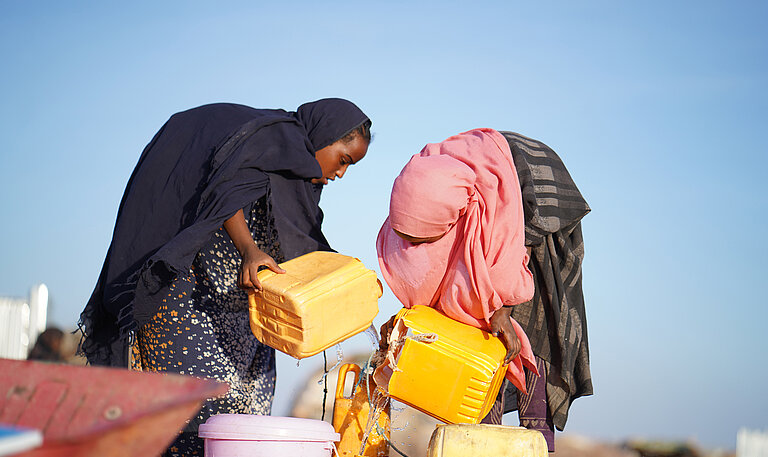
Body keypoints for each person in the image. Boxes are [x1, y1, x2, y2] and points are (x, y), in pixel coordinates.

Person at [78, 99, 372, 456]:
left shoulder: (299, 184)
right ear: (323, 135)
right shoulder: (267, 144)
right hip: (190, 306)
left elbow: (306, 252)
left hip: (248, 319)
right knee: (197, 426)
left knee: (248, 429)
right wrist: (248, 248)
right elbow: (225, 186)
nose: (341, 173)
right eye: (344, 159)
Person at [377, 128, 591, 452]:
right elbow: (439, 275)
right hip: (490, 191)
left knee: (527, 326)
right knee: (476, 327)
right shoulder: (429, 187)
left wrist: (503, 308)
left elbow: (514, 252)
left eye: (424, 242)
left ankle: (539, 441)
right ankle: (480, 438)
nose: (417, 248)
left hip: (539, 200)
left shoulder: (498, 203)